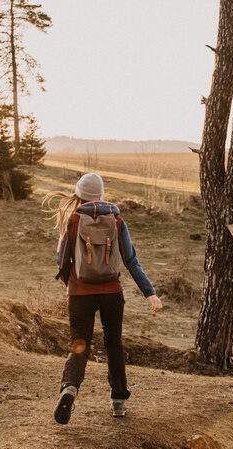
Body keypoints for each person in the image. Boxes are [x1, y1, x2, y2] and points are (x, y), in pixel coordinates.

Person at [44, 173, 162, 424]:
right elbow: (131, 260)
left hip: (80, 293)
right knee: (113, 344)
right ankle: (118, 401)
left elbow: (61, 260)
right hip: (111, 292)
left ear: (78, 195)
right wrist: (150, 293)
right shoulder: (117, 220)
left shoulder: (73, 220)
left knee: (80, 344)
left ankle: (70, 388)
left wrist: (70, 285)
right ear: (100, 195)